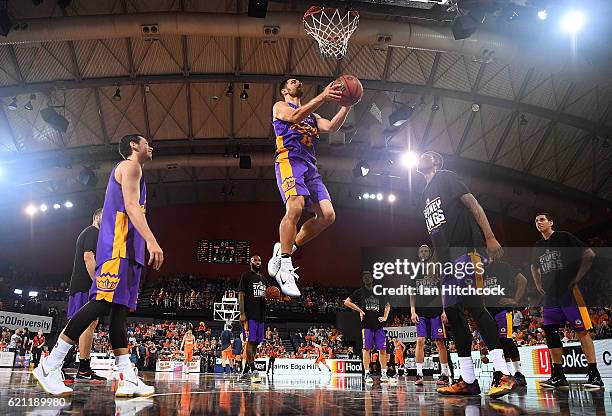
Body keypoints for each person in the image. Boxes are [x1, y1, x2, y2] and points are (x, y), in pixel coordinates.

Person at [33, 134, 164, 397]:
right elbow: (130, 205)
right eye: (146, 142)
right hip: (119, 248)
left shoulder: (134, 171)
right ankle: (50, 364)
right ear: (133, 146)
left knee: (119, 313)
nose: (151, 146)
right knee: (101, 304)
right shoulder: (130, 166)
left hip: (129, 250)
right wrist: (152, 240)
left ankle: (127, 377)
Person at [416, 151, 516, 398]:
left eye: (427, 154)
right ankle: (468, 381)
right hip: (448, 262)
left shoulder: (447, 177)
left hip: (468, 252)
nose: (421, 157)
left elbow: (474, 205)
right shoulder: (424, 195)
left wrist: (490, 236)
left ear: (437, 162)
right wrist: (436, 263)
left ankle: (504, 374)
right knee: (452, 314)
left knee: (474, 307)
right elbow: (437, 234)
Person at [267, 78, 351, 297]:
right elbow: (294, 117)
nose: (298, 82)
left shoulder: (313, 116)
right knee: (295, 206)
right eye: (292, 81)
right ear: (285, 90)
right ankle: (285, 266)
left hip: (310, 165)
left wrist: (347, 104)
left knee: (328, 216)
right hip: (289, 159)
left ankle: (285, 249)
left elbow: (331, 127)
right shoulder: (280, 106)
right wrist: (323, 96)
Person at [531, 212, 602, 389]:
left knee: (581, 331)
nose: (538, 223)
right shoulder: (538, 246)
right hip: (551, 296)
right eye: (536, 221)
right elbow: (534, 266)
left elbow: (589, 254)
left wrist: (577, 278)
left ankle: (594, 375)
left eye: (542, 220)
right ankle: (558, 375)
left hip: (570, 292)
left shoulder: (564, 237)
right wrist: (538, 282)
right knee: (549, 330)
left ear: (551, 222)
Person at [62, 208, 106, 383]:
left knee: (89, 324)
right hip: (84, 285)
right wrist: (97, 285)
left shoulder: (94, 234)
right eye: (105, 215)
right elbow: (89, 258)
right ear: (96, 217)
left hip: (84, 285)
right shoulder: (93, 232)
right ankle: (59, 364)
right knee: (80, 324)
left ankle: (83, 368)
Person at [344, 271, 396, 384]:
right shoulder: (360, 292)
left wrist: (385, 317)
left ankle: (383, 374)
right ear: (363, 280)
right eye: (364, 277)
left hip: (379, 325)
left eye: (368, 277)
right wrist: (360, 310)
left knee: (383, 349)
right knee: (366, 349)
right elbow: (347, 302)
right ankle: (367, 373)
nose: (367, 278)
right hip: (366, 325)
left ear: (372, 278)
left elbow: (387, 304)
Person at [410, 244, 452, 386]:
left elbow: (442, 292)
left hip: (435, 311)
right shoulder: (415, 271)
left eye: (426, 250)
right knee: (420, 340)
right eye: (421, 250)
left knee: (439, 342)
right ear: (418, 253)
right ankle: (419, 374)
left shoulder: (436, 269)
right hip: (421, 312)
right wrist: (412, 310)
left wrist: (444, 310)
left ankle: (445, 373)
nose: (423, 252)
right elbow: (412, 293)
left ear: (429, 253)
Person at [484, 259, 528, 387]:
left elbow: (523, 280)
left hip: (503, 310)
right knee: (498, 344)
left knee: (506, 340)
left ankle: (519, 374)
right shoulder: (480, 271)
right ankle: (507, 373)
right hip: (488, 313)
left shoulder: (503, 266)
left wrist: (515, 300)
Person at [239, 255, 267, 383]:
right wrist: (242, 313)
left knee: (255, 343)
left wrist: (278, 298)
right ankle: (254, 371)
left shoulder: (264, 279)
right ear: (250, 262)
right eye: (255, 260)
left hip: (261, 315)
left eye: (259, 260)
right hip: (249, 314)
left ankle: (245, 372)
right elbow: (241, 294)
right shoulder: (246, 276)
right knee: (250, 342)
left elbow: (265, 297)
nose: (258, 262)